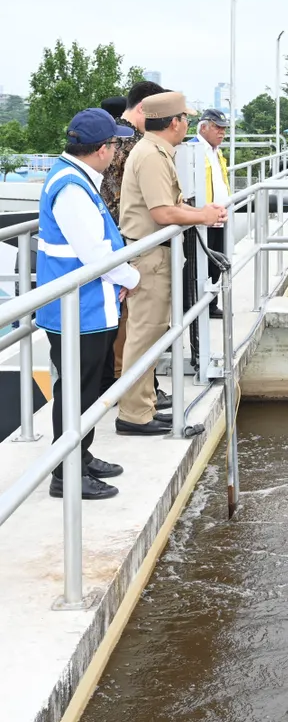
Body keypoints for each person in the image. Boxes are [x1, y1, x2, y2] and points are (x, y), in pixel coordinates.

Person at [35, 109, 140, 500]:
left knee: (88, 388)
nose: (116, 150)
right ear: (101, 149)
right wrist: (130, 277)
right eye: (114, 143)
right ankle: (67, 472)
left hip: (86, 305)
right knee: (77, 391)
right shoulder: (73, 189)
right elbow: (94, 253)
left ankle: (81, 453)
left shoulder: (74, 177)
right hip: (78, 309)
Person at [116, 92, 228, 435]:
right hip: (148, 257)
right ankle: (134, 415)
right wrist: (202, 216)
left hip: (154, 254)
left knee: (152, 334)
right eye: (186, 119)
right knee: (144, 334)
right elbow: (162, 212)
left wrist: (198, 213)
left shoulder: (157, 151)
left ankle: (144, 406)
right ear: (174, 122)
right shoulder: (151, 155)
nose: (187, 125)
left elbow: (171, 203)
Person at [100, 81, 168, 404]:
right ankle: (133, 390)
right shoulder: (132, 141)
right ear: (143, 108)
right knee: (132, 321)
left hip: (115, 235)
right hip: (125, 238)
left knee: (125, 318)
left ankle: (130, 387)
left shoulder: (116, 136)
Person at [190, 108, 231, 318]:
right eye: (217, 127)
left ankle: (211, 304)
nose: (221, 132)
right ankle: (199, 306)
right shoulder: (192, 149)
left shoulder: (217, 151)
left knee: (216, 263)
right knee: (200, 265)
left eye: (224, 128)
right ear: (203, 127)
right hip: (201, 219)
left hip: (219, 216)